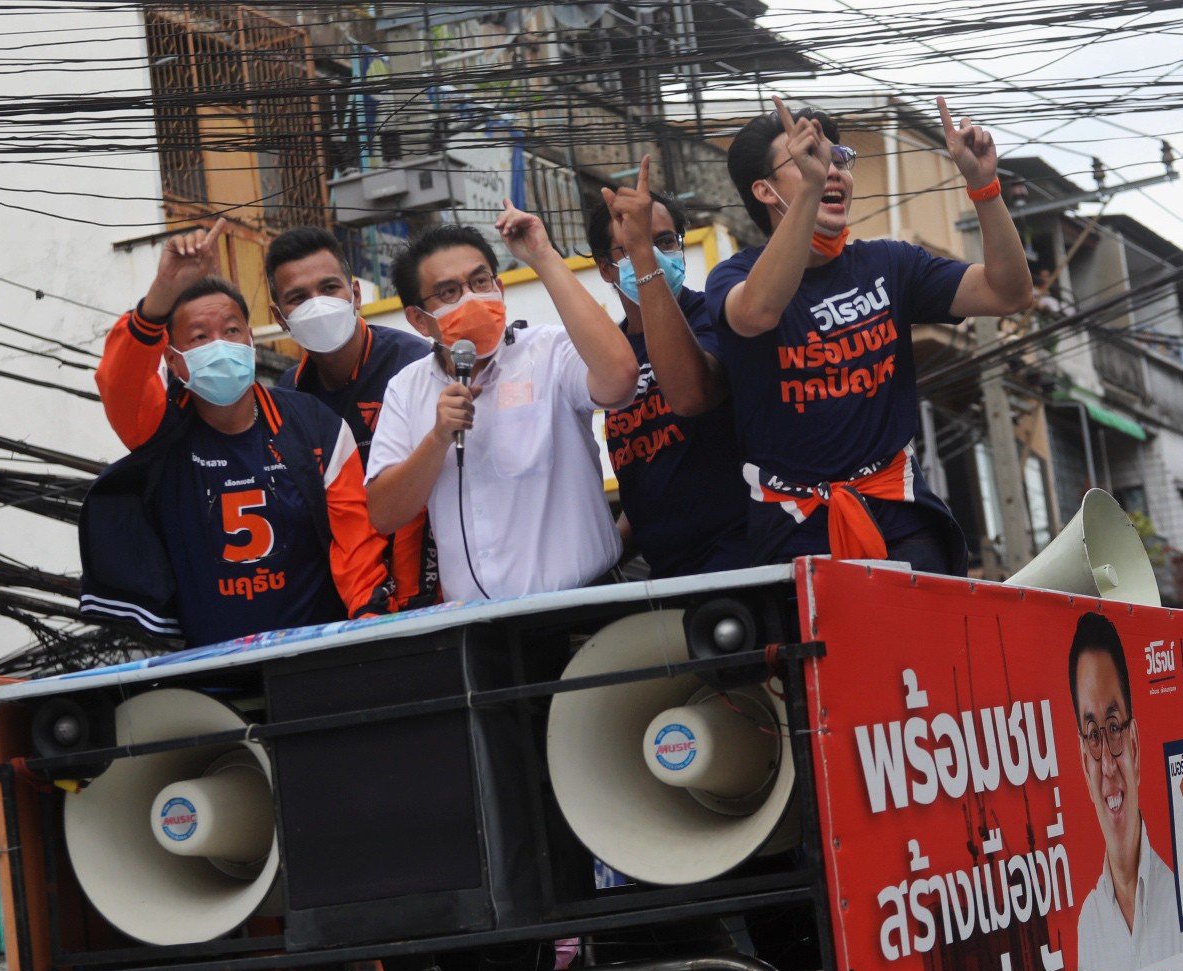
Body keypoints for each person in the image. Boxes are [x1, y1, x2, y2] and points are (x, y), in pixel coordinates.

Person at [705, 97, 1033, 572]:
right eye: (808, 159)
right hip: (792, 527)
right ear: (764, 190)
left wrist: (984, 187)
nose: (830, 170)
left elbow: (1008, 292)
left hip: (900, 517)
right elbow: (757, 312)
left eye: (839, 158)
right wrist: (810, 190)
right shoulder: (733, 277)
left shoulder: (890, 264)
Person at [80, 222, 394, 645]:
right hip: (211, 665)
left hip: (316, 654)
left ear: (250, 339)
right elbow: (119, 382)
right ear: (172, 360)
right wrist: (161, 293)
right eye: (200, 336)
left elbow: (356, 544)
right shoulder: (160, 432)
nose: (220, 344)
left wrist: (371, 620)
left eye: (231, 330)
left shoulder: (314, 426)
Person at [366, 208, 638, 601]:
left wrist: (543, 256)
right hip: (481, 622)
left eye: (480, 282)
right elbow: (384, 514)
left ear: (500, 289)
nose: (471, 298)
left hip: (586, 604)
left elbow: (621, 378)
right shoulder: (406, 389)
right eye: (448, 292)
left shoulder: (549, 351)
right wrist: (438, 438)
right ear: (419, 320)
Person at [586, 155, 748, 577]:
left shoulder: (715, 315)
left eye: (665, 241)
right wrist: (596, 563)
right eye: (633, 245)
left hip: (741, 558)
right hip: (666, 572)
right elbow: (649, 485)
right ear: (605, 269)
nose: (654, 254)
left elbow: (694, 394)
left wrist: (640, 254)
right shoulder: (612, 354)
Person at [266, 226, 438, 609]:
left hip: (431, 584)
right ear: (279, 317)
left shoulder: (415, 367)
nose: (318, 305)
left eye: (329, 288)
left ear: (355, 294)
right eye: (298, 297)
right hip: (347, 597)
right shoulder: (290, 396)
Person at [1067, 612, 1183, 971]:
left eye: (1113, 728)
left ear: (1136, 745)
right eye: (1093, 735)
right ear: (1083, 763)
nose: (1108, 763)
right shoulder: (1089, 923)